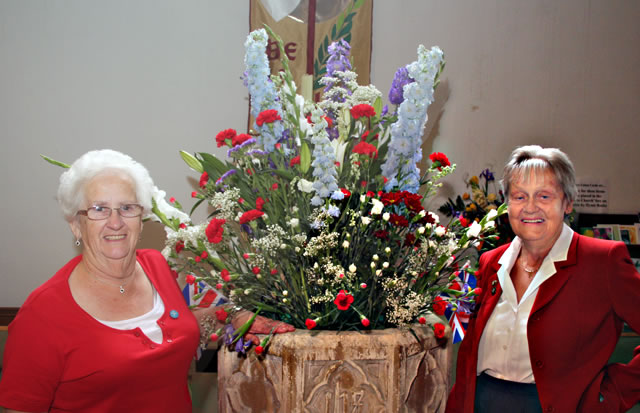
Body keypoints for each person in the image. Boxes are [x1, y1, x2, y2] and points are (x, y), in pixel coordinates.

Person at [0, 149, 293, 413]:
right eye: (99, 209)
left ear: (142, 218)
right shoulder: (43, 314)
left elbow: (172, 330)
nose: (115, 222)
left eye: (127, 207)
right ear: (76, 225)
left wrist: (233, 317)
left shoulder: (155, 265)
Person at [446, 145, 640, 412]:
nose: (530, 208)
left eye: (544, 196)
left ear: (567, 202)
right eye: (519, 196)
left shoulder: (603, 260)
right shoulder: (491, 261)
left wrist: (612, 394)